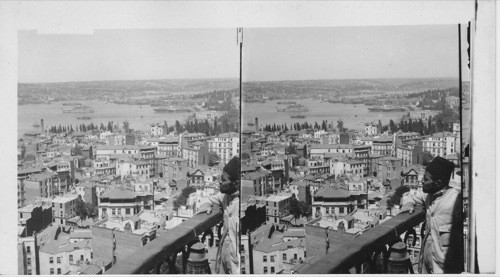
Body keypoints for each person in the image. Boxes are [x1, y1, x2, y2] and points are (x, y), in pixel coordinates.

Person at [400, 156, 463, 274]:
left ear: (438, 183)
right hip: (426, 264)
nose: (421, 181)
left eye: (425, 179)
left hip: (445, 269)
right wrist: (409, 204)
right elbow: (409, 197)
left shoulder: (456, 200)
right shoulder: (429, 195)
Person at [197, 156, 240, 274]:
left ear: (236, 183)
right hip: (224, 256)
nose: (220, 182)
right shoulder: (226, 197)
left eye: (224, 180)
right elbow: (209, 199)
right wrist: (206, 205)